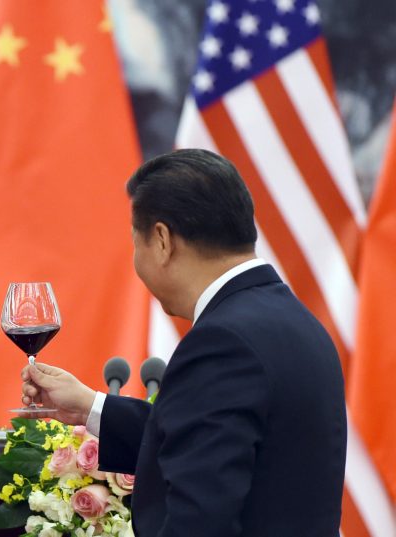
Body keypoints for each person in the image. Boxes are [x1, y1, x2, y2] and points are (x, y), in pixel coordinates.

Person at [22, 149, 347, 536]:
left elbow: (199, 515)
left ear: (162, 240)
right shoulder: (295, 321)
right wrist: (91, 407)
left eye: (135, 241)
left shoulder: (223, 341)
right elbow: (208, 444)